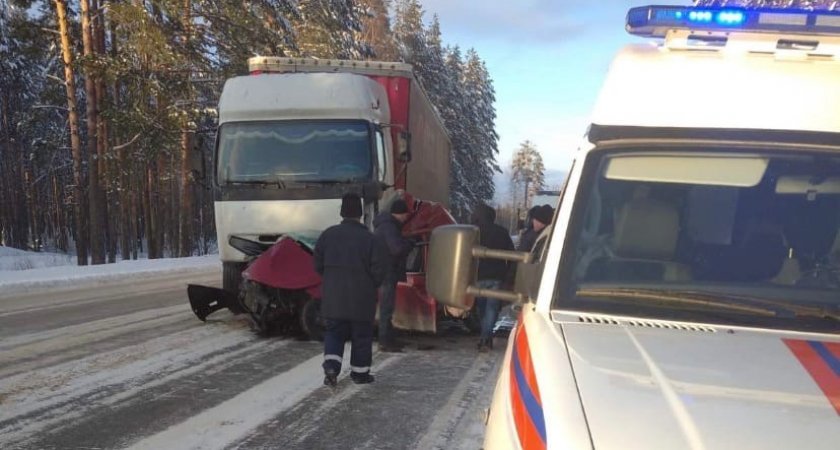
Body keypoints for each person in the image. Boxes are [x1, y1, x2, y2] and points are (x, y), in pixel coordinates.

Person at [314, 193, 387, 386]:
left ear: (342, 212)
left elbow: (317, 264)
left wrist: (331, 280)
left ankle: (331, 367)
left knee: (334, 333)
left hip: (334, 297)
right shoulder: (370, 239)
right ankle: (360, 374)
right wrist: (370, 285)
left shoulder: (327, 236)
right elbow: (379, 270)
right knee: (361, 336)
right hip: (362, 298)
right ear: (360, 214)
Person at [471, 203, 515, 352]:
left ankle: (484, 335)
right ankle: (486, 338)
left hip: (477, 276)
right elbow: (512, 254)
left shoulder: (473, 232)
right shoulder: (502, 232)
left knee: (481, 308)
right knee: (492, 308)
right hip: (497, 276)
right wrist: (509, 274)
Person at [373, 198, 414, 352]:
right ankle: (385, 340)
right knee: (387, 307)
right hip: (387, 272)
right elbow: (396, 249)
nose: (406, 218)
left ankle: (389, 338)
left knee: (387, 307)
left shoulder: (385, 225)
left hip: (383, 270)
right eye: (405, 214)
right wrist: (409, 244)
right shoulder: (390, 227)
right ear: (400, 214)